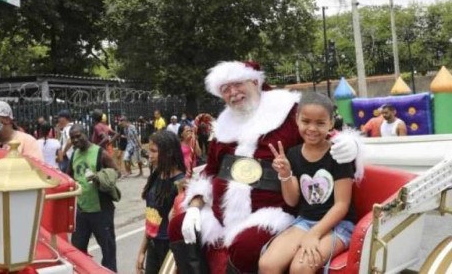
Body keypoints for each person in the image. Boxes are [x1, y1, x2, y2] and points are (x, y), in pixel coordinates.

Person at [168, 61, 361, 273]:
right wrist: (195, 206)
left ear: (254, 81)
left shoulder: (287, 111)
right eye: (225, 89)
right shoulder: (223, 126)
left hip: (272, 211)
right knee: (178, 225)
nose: (233, 93)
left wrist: (350, 144)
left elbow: (317, 133)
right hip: (221, 213)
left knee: (247, 247)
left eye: (237, 84)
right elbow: (209, 172)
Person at [259, 92, 356, 274]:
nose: (312, 128)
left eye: (320, 123)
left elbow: (342, 205)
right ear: (297, 120)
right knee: (267, 265)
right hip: (305, 221)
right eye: (306, 121)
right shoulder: (293, 154)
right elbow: (292, 201)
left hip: (339, 224)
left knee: (301, 267)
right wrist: (286, 175)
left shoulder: (338, 155)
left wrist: (314, 234)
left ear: (331, 123)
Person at [68, 124, 120, 272]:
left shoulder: (100, 153)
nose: (76, 140)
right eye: (73, 138)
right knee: (77, 251)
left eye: (79, 136)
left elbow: (116, 172)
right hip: (81, 211)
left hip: (101, 210)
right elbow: (69, 176)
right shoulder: (74, 154)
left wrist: (101, 178)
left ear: (87, 134)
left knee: (108, 251)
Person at [136, 131, 186, 274]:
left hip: (170, 250)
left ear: (168, 152)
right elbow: (152, 218)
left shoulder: (180, 184)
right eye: (149, 150)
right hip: (153, 245)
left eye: (154, 151)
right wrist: (142, 251)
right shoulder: (156, 175)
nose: (149, 155)